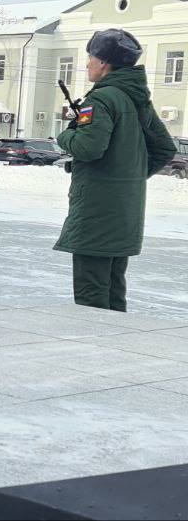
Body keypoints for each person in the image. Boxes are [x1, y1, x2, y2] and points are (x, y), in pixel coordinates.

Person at [54, 29, 177, 312]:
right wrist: (126, 179)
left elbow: (88, 148)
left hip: (96, 214)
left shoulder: (100, 99)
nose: (87, 64)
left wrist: (64, 136)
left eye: (91, 57)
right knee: (113, 289)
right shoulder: (136, 98)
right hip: (124, 213)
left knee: (91, 295)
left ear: (105, 62)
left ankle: (91, 354)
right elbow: (164, 148)